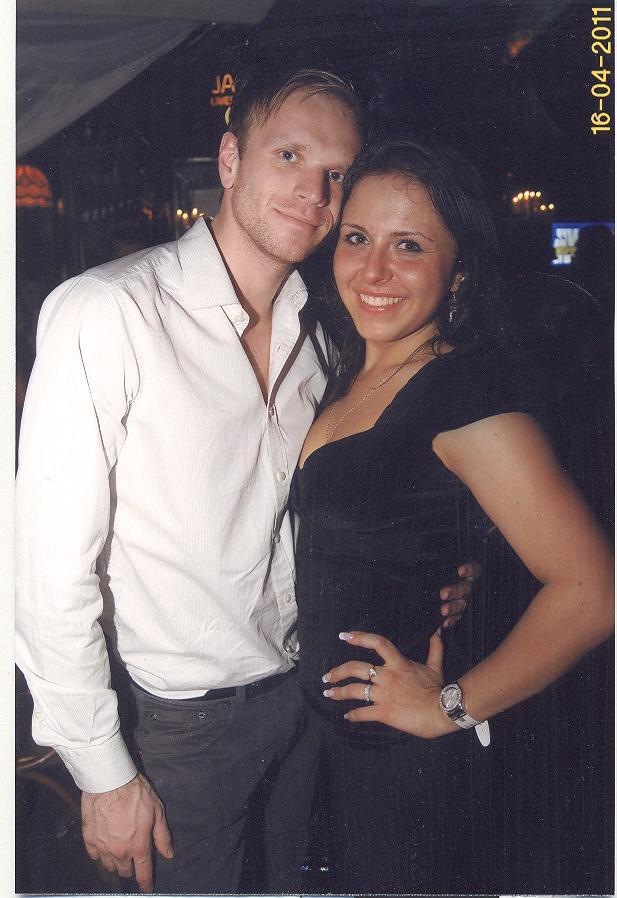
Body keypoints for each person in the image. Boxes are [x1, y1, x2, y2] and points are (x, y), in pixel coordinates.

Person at [15, 70, 474, 895]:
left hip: (304, 700)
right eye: (288, 155)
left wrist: (439, 571)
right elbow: (46, 570)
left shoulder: (327, 331)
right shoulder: (108, 311)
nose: (312, 191)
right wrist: (102, 771)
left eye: (336, 173)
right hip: (175, 730)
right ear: (229, 160)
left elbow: (338, 509)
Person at [291, 137, 614, 893]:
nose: (373, 271)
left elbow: (592, 591)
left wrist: (448, 708)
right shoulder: (350, 368)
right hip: (333, 752)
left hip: (406, 772)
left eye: (409, 246)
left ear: (459, 270)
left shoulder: (466, 398)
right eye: (357, 238)